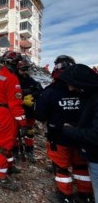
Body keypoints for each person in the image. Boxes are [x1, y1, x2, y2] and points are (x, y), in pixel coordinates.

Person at [34, 55, 94, 202]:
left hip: (58, 138)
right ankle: (85, 195)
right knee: (81, 167)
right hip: (81, 137)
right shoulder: (87, 92)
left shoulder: (50, 91)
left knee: (61, 168)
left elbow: (40, 115)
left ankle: (65, 196)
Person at [59, 64, 98, 202]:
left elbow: (95, 135)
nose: (70, 88)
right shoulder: (90, 95)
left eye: (72, 84)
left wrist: (71, 130)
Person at [0, 51, 27, 191]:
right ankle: (1, 176)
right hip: (6, 113)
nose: (19, 66)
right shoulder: (12, 79)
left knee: (9, 141)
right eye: (18, 63)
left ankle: (9, 166)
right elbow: (15, 104)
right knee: (5, 145)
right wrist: (23, 122)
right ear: (13, 64)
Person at [15, 60, 43, 163]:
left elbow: (40, 90)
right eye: (23, 70)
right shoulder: (15, 80)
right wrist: (22, 96)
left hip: (29, 111)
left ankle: (29, 152)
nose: (25, 71)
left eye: (26, 69)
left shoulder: (31, 80)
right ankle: (16, 153)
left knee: (29, 132)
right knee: (15, 133)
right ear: (18, 69)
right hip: (18, 111)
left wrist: (32, 95)